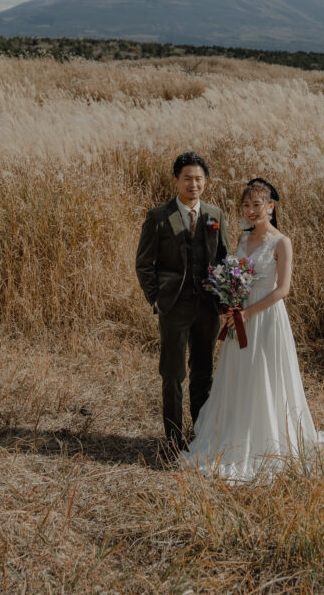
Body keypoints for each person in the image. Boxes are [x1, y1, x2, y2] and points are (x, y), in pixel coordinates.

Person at [180, 178, 324, 482]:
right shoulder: (241, 240)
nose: (251, 211)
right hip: (240, 315)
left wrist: (249, 311)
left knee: (264, 373)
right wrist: (231, 302)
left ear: (270, 206)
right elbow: (233, 276)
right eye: (246, 205)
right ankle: (234, 434)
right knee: (240, 374)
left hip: (265, 319)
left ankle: (267, 438)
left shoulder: (282, 242)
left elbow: (283, 290)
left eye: (257, 205)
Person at [135, 151, 229, 454]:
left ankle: (200, 436)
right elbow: (143, 264)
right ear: (176, 180)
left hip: (207, 307)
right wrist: (157, 299)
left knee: (203, 372)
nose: (193, 183)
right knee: (173, 372)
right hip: (174, 306)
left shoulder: (215, 215)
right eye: (187, 178)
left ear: (206, 182)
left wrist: (227, 298)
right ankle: (173, 439)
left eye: (198, 178)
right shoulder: (159, 217)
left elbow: (224, 259)